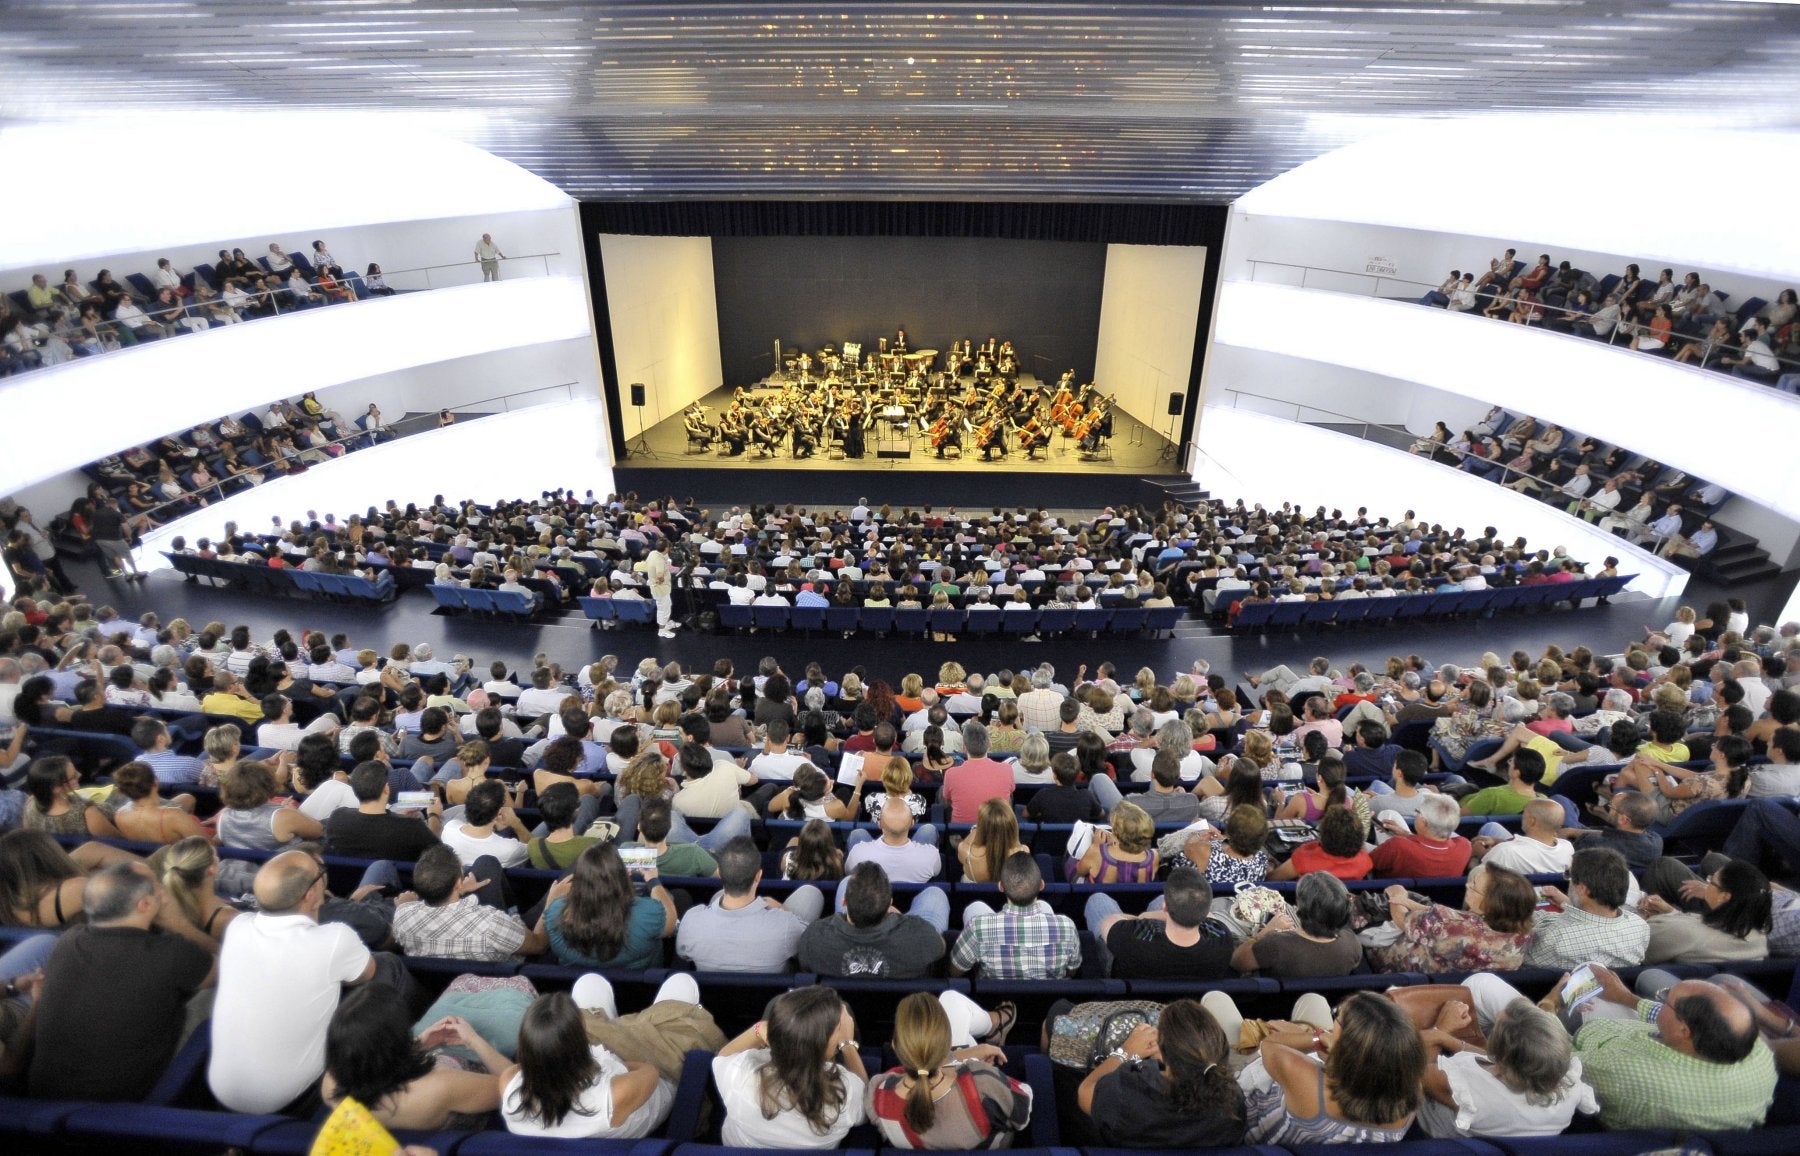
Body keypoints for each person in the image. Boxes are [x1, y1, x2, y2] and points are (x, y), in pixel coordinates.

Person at [1458, 965, 1776, 1131]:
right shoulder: (1754, 1049)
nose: (1661, 999)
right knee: (1594, 973)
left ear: (1685, 1031)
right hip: (1614, 1040)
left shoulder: (1624, 1072)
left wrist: (1549, 1004)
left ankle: (1486, 1046)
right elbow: (1667, 1020)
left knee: (1481, 985)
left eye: (1666, 999)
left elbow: (1552, 1055)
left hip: (1570, 1051)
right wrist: (1625, 997)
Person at [21, 860, 216, 1101]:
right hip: (127, 1102)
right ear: (145, 904)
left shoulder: (68, 941)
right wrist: (179, 924)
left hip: (44, 1095)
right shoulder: (172, 952)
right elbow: (228, 966)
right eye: (157, 888)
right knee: (217, 991)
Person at [208, 850, 379, 1114]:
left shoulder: (237, 926)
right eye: (320, 874)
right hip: (297, 1100)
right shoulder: (335, 939)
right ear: (310, 895)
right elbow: (367, 974)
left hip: (221, 1096)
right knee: (388, 968)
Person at [1393, 991, 1598, 1138]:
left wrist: (1441, 1029)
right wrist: (1451, 1042)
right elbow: (1510, 1062)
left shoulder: (1463, 1087)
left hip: (1424, 1132)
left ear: (1501, 1052)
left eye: (1497, 1025)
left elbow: (1416, 1068)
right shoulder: (1570, 1083)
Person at [1237, 991, 1425, 1142]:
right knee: (1314, 1000)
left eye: (1337, 1016)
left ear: (1350, 1044)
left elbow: (1268, 1045)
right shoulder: (1411, 1092)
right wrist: (1337, 1051)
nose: (1333, 1019)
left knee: (1221, 1001)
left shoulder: (1306, 1079)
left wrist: (1317, 1038)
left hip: (1250, 1122)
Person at [320, 984, 508, 1130]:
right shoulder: (442, 1086)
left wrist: (417, 1044)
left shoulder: (331, 1085)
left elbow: (373, 1065)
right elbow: (514, 1089)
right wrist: (474, 1041)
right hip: (472, 1116)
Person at [499, 988, 678, 1139]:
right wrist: (616, 1051)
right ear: (579, 1043)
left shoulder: (508, 1083)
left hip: (601, 1071)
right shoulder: (615, 1093)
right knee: (680, 986)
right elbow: (650, 1070)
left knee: (589, 983)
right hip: (654, 1092)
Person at [866, 991, 1033, 1149]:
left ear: (894, 1045)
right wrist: (982, 1068)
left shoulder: (878, 1095)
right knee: (950, 999)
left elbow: (916, 1069)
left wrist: (961, 1056)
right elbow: (1022, 1115)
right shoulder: (983, 1082)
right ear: (948, 1044)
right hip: (991, 1145)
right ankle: (995, 1025)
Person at [712, 986, 868, 1148]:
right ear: (821, 1045)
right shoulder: (845, 1092)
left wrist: (757, 1029)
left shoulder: (739, 1075)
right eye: (839, 1029)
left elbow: (723, 1056)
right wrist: (847, 1045)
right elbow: (866, 1102)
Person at [1078, 998, 1245, 1147]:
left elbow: (1085, 1091)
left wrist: (1125, 1052)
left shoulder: (1127, 1092)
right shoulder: (1233, 1102)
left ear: (1164, 1053)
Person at [676, 836, 824, 972]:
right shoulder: (786, 924)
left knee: (719, 895)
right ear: (758, 876)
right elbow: (811, 945)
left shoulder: (692, 920)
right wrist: (783, 909)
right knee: (810, 893)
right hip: (774, 991)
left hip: (708, 991)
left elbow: (682, 954)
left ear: (720, 873)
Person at [391, 844, 555, 962]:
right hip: (508, 967)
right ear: (458, 883)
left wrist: (459, 891)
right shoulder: (491, 922)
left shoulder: (403, 915)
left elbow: (408, 910)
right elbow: (539, 946)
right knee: (566, 883)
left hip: (440, 984)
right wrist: (552, 904)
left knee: (486, 862)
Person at [1367, 864, 1537, 974]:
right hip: (1452, 989)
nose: (1467, 885)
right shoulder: (1524, 935)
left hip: (1388, 967)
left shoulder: (1449, 925)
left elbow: (1400, 919)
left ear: (1491, 904)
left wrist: (1396, 894)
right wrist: (1409, 902)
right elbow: (1458, 917)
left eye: (1474, 886)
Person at [1084, 865, 1235, 980]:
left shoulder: (1133, 937)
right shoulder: (1223, 938)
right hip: (1191, 987)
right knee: (1161, 898)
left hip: (1128, 976)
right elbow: (1211, 917)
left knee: (1098, 899)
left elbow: (1107, 923)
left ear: (1165, 908)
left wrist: (1141, 917)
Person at [800, 862, 948, 979]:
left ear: (844, 902)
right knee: (935, 892)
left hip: (838, 1002)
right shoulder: (922, 937)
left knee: (845, 882)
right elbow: (941, 948)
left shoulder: (813, 938)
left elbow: (804, 966)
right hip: (903, 1001)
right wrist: (899, 918)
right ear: (890, 904)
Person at [544, 843, 677, 969]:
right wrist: (653, 880)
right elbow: (670, 922)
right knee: (680, 895)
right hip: (640, 982)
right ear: (624, 876)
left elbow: (543, 935)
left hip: (576, 983)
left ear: (578, 879)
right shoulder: (647, 913)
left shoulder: (555, 912)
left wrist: (551, 898)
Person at [950, 852, 1080, 979]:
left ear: (1001, 886)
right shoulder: (1067, 926)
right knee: (1044, 906)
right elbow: (1071, 972)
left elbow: (955, 971)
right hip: (1051, 994)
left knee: (976, 907)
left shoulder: (977, 927)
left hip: (993, 993)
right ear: (1041, 885)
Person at [1526, 846, 1648, 968]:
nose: (1569, 880)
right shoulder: (1640, 926)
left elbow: (1520, 961)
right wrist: (1567, 902)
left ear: (1582, 889)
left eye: (1569, 875)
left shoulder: (1554, 938)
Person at [1637, 858, 1772, 964]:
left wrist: (1646, 916)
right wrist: (1671, 912)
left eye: (1711, 881)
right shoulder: (1759, 938)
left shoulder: (1686, 934)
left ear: (1724, 897)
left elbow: (1635, 944)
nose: (1706, 885)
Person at [1230, 871, 1362, 978]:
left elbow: (1237, 962)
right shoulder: (1352, 942)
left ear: (1301, 909)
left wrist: (1262, 934)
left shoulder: (1275, 944)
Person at [323, 761, 443, 860]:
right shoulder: (412, 828)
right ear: (386, 789)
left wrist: (395, 815)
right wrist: (434, 815)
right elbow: (437, 850)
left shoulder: (337, 817)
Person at [1070, 799, 1159, 883]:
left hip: (1099, 892)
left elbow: (1080, 871)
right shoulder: (1154, 856)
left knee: (1072, 858)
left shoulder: (1096, 852)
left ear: (1117, 834)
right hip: (1138, 894)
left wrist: (1096, 845)